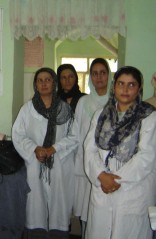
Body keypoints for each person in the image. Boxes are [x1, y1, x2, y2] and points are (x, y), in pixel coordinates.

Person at [84, 66, 156, 239]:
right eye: (121, 84)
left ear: (139, 88)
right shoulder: (101, 114)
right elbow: (89, 149)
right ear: (113, 86)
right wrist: (101, 175)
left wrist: (115, 180)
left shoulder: (149, 116)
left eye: (131, 85)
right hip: (102, 186)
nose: (125, 89)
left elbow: (146, 156)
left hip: (132, 189)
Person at [12, 67, 75, 239]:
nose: (44, 83)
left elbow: (74, 136)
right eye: (40, 80)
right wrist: (35, 148)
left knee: (58, 205)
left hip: (58, 164)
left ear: (54, 83)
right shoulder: (27, 109)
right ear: (35, 85)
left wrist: (53, 149)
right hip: (35, 162)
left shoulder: (65, 109)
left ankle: (58, 232)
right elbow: (18, 135)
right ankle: (36, 231)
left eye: (48, 79)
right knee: (35, 205)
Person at [71, 58, 112, 238]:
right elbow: (76, 132)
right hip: (84, 164)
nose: (99, 77)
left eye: (103, 72)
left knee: (104, 211)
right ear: (90, 77)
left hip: (108, 165)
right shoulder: (83, 102)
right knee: (86, 209)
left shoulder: (115, 100)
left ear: (109, 75)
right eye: (94, 73)